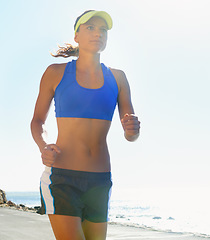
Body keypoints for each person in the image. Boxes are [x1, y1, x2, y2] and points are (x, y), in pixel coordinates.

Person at [30, 10, 140, 240]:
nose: (97, 33)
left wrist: (132, 130)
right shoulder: (56, 73)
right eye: (90, 27)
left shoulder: (118, 78)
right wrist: (43, 146)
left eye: (103, 30)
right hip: (62, 178)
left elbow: (130, 133)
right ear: (76, 36)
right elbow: (38, 121)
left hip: (100, 180)